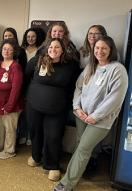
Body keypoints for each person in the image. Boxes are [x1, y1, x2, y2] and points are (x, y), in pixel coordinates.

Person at [54, 36, 128, 191]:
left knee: (83, 149)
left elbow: (114, 99)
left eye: (104, 48)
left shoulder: (117, 70)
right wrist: (76, 107)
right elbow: (78, 87)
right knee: (80, 145)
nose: (99, 51)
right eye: (97, 48)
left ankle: (67, 184)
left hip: (100, 120)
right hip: (82, 115)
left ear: (111, 50)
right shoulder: (90, 66)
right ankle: (74, 175)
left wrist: (95, 116)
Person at [25, 38, 80, 181]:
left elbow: (75, 86)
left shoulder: (71, 65)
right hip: (34, 105)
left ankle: (52, 165)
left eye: (57, 47)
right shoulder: (38, 60)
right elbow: (26, 77)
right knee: (35, 132)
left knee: (53, 135)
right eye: (50, 47)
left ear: (63, 50)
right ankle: (36, 157)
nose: (53, 50)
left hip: (57, 108)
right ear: (46, 48)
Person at [78, 25, 108, 171]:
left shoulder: (107, 52)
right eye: (90, 33)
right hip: (82, 97)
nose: (92, 36)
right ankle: (81, 164)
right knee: (81, 137)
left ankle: (93, 160)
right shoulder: (82, 52)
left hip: (98, 101)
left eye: (96, 33)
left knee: (92, 139)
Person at [0, 39, 23, 159]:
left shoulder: (16, 67)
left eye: (10, 49)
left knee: (9, 128)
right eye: (4, 49)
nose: (6, 51)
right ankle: (1, 145)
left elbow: (16, 89)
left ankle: (9, 150)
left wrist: (9, 106)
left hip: (10, 104)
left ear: (14, 51)